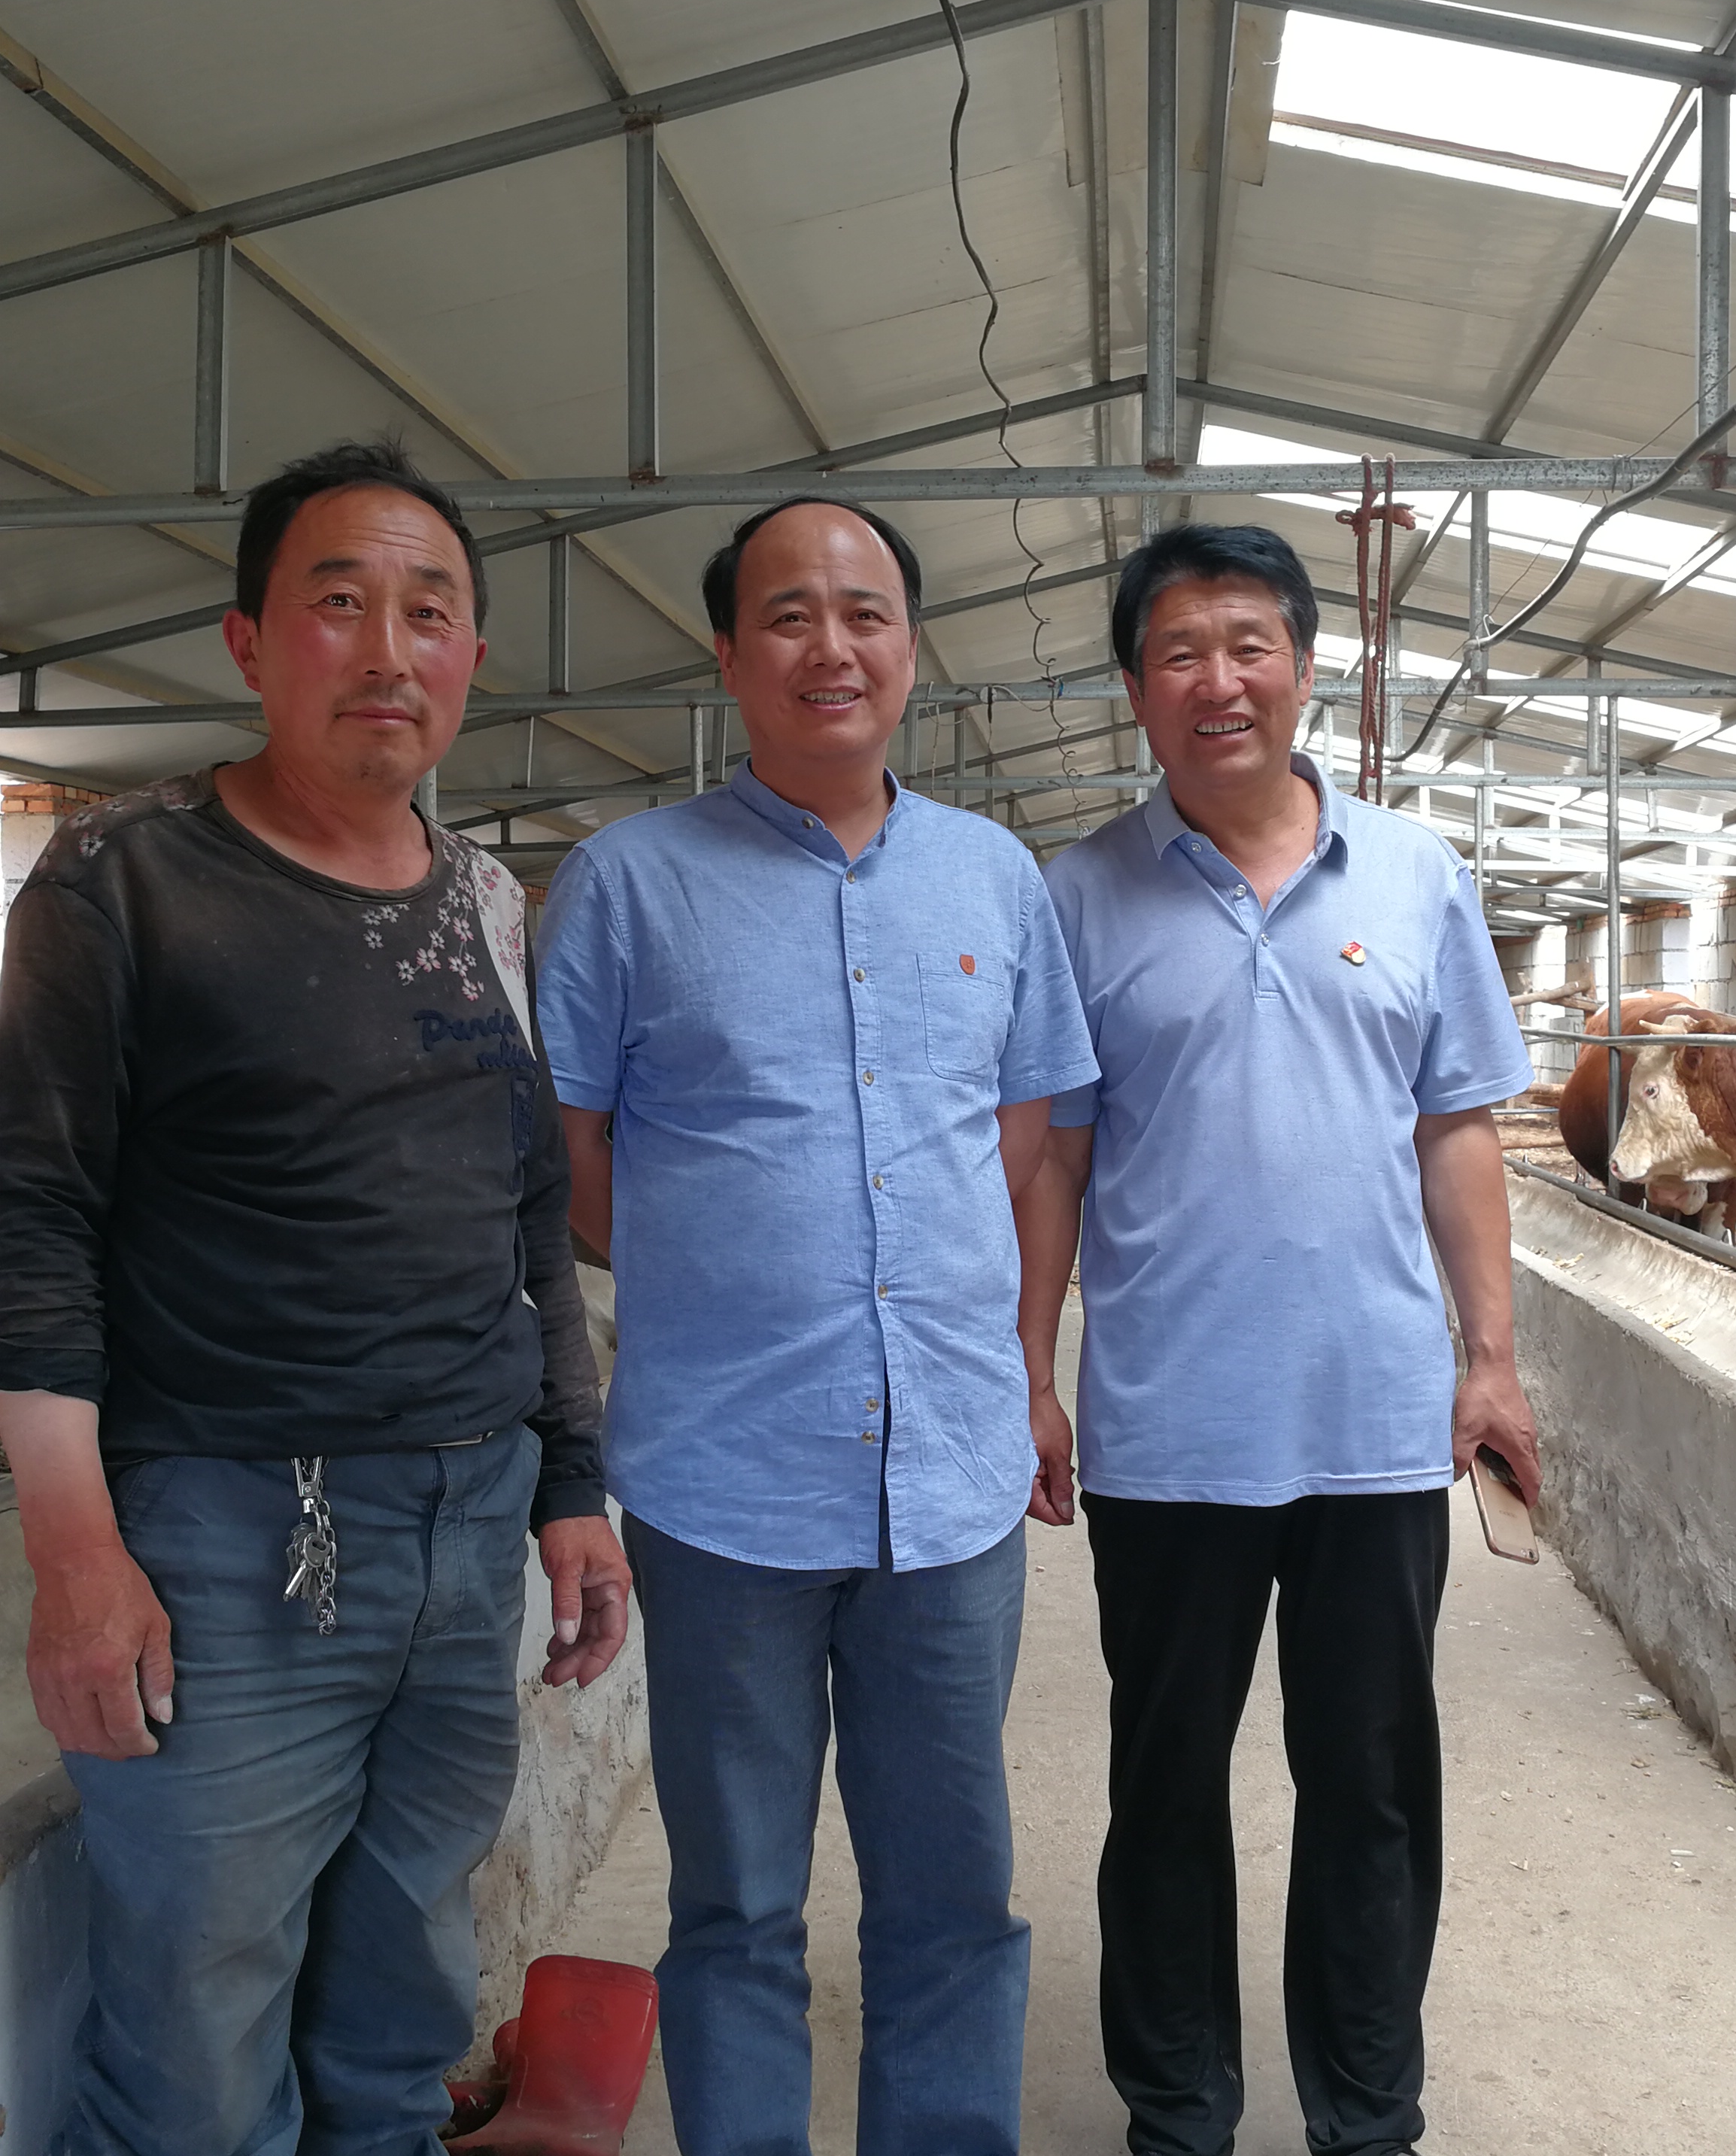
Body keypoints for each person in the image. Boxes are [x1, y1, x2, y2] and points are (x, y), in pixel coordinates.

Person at [0, 439, 632, 2156]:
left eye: (431, 611)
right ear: (252, 642)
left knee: (400, 1998)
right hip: (233, 1531)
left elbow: (524, 1218)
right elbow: (35, 1219)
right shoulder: (123, 882)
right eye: (341, 603)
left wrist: (570, 1484)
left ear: (472, 654)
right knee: (197, 2040)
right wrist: (74, 1556)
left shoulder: (485, 901)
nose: (389, 651)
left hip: (467, 1522)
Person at [533, 497, 1098, 2156]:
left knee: (952, 1899)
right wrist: (731, 1266)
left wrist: (1011, 1365)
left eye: (865, 613)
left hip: (949, 1481)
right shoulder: (628, 885)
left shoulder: (995, 876)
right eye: (789, 615)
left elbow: (1013, 1143)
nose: (830, 647)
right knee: (735, 1907)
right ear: (729, 654)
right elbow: (573, 1159)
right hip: (725, 1485)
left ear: (912, 647)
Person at [1014, 522, 1539, 2156]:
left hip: (1375, 1419)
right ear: (1135, 688)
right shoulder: (1075, 895)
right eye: (1179, 652)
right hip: (1170, 1426)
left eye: (1249, 646)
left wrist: (1490, 1357)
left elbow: (1457, 1128)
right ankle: (1178, 2112)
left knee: (1370, 1785)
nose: (1218, 680)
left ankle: (1365, 2115)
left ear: (1306, 669)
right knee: (1164, 1781)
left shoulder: (1415, 875)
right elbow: (1053, 1161)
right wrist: (1028, 1375)